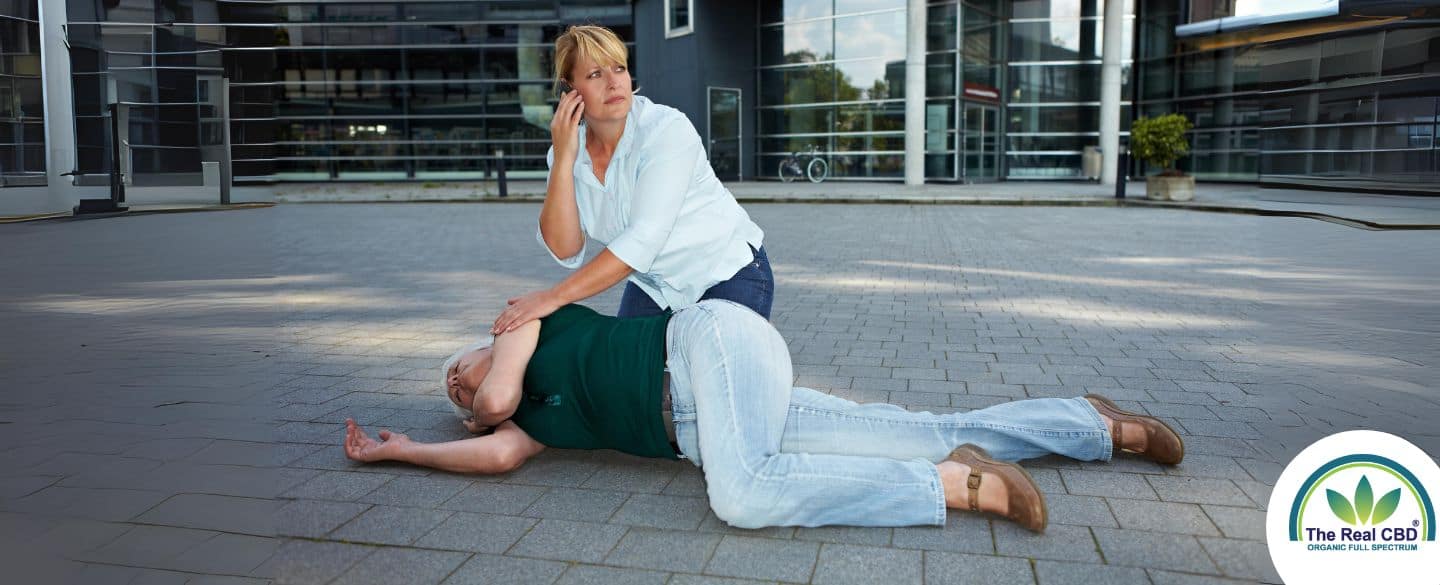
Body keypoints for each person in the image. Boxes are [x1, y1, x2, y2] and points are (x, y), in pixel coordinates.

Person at [343, 300, 1185, 531]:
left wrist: (475, 402)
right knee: (924, 422)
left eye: (452, 371)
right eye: (450, 390)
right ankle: (1092, 423)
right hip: (727, 410)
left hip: (709, 346)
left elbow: (492, 402)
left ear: (480, 344)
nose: (459, 389)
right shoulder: (531, 427)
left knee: (739, 496)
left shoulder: (525, 323)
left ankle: (956, 489)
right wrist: (404, 450)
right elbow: (495, 453)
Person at [490, 25, 771, 337]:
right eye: (595, 74)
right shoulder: (566, 151)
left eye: (619, 68)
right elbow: (565, 248)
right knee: (626, 378)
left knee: (716, 381)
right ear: (571, 88)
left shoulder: (665, 130)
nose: (613, 83)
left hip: (725, 271)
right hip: (655, 286)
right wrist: (563, 160)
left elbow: (643, 238)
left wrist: (553, 297)